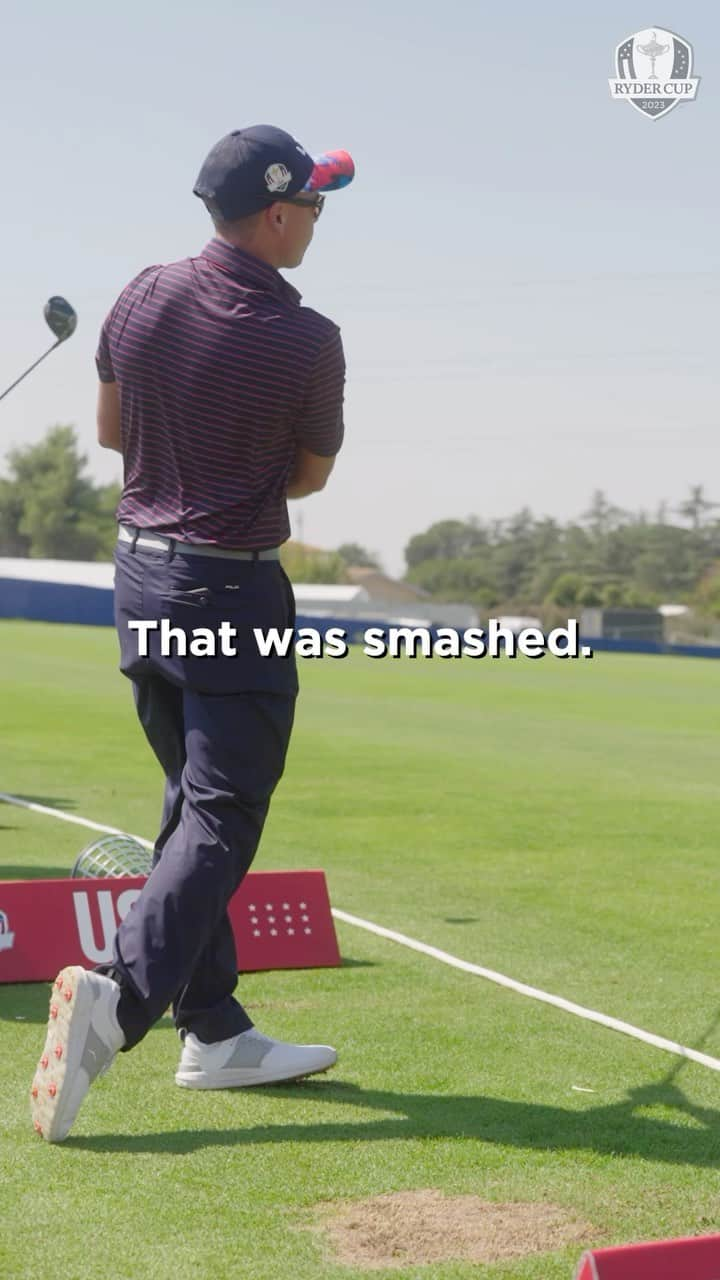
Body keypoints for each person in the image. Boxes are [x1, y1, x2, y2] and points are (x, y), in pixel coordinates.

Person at [30, 124, 355, 1143]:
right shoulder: (308, 336)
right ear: (272, 214)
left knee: (186, 805)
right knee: (221, 816)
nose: (316, 218)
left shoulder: (142, 293)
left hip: (141, 582)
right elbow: (308, 475)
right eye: (311, 203)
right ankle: (121, 999)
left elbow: (111, 430)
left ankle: (212, 1026)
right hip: (232, 595)